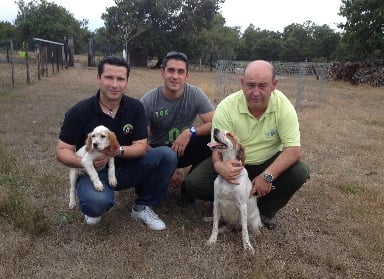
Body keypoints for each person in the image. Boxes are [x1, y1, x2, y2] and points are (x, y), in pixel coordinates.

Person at [185, 60, 310, 229]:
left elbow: (294, 150)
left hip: (267, 162)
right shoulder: (227, 107)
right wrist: (219, 165)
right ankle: (230, 207)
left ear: (274, 85)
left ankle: (264, 211)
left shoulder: (284, 107)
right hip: (234, 161)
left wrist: (268, 176)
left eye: (262, 86)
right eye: (250, 85)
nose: (255, 92)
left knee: (299, 172)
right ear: (242, 83)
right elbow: (216, 145)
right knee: (194, 183)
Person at [55, 56, 177, 230]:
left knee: (167, 155)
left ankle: (142, 207)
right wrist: (82, 162)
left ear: (126, 81)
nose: (114, 84)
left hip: (129, 168)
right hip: (94, 171)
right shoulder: (79, 111)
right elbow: (62, 149)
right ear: (98, 78)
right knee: (95, 204)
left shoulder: (135, 108)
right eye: (109, 77)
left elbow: (141, 146)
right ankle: (94, 206)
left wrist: (116, 151)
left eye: (120, 79)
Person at [140, 51, 215, 204]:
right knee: (141, 189)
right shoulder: (148, 101)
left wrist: (191, 131)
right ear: (162, 73)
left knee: (212, 140)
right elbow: (140, 142)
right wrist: (167, 165)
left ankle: (189, 186)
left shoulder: (194, 94)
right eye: (171, 70)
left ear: (187, 75)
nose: (175, 76)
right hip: (157, 150)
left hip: (183, 147)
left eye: (180, 71)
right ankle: (158, 180)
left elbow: (217, 124)